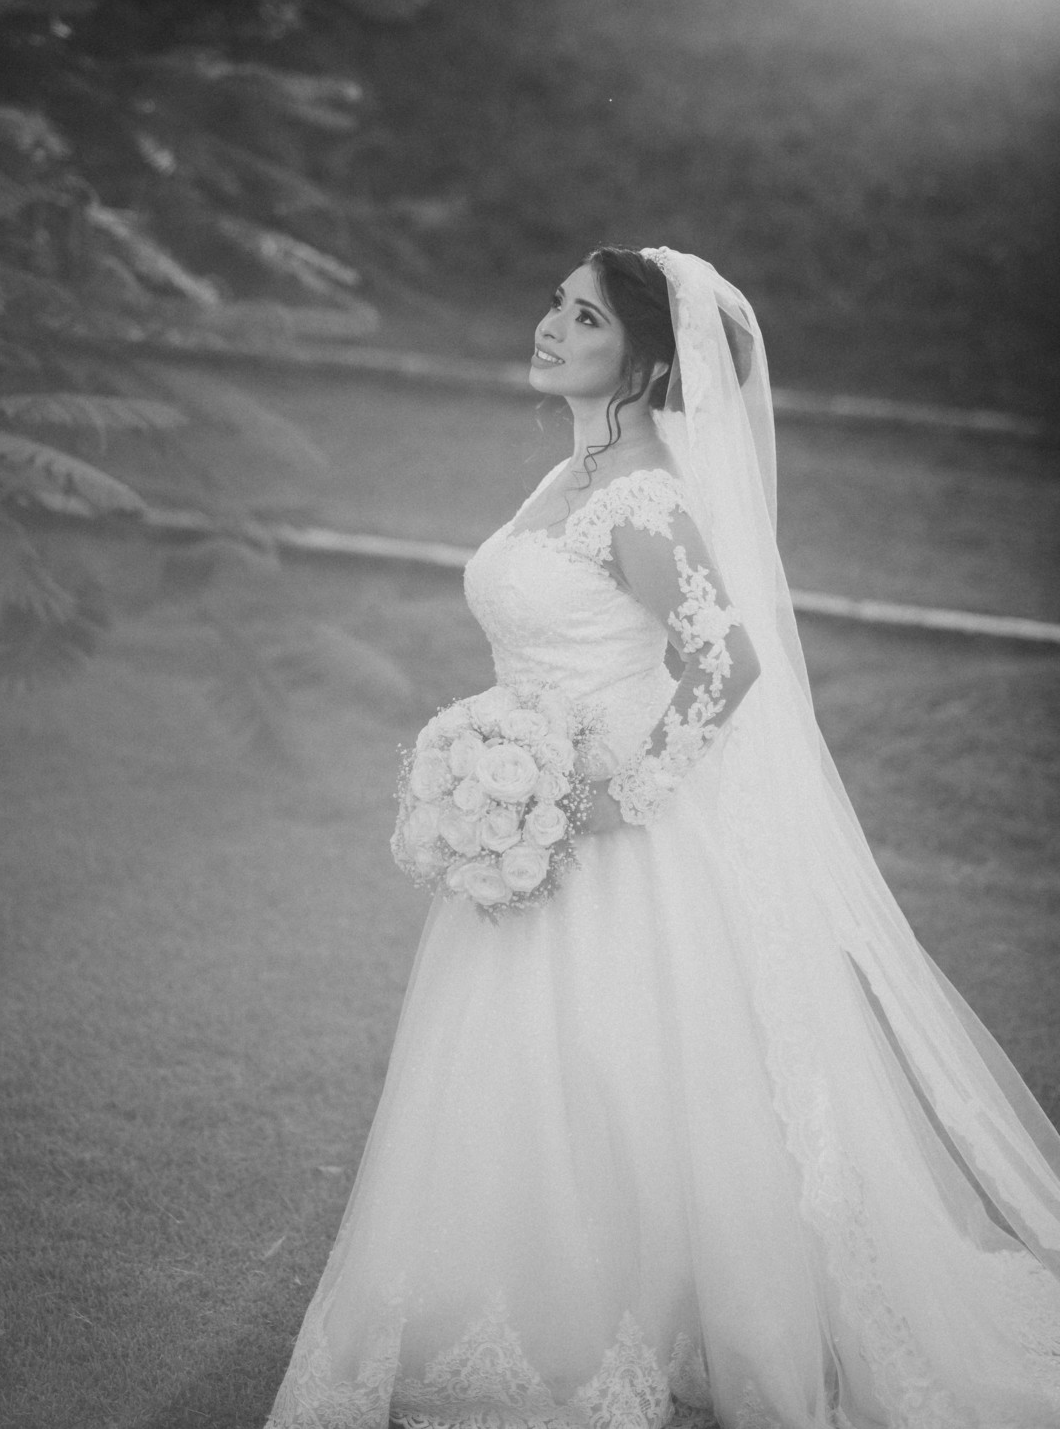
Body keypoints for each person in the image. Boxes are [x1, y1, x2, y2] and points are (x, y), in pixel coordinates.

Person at [266, 246, 1060, 1429]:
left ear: (642, 364)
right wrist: (492, 762)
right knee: (522, 1084)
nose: (551, 324)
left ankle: (614, 1327)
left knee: (608, 1079)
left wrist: (605, 795)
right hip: (524, 828)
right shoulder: (574, 468)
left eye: (584, 317)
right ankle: (504, 1306)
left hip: (606, 844)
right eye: (555, 301)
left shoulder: (643, 494)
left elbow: (723, 664)